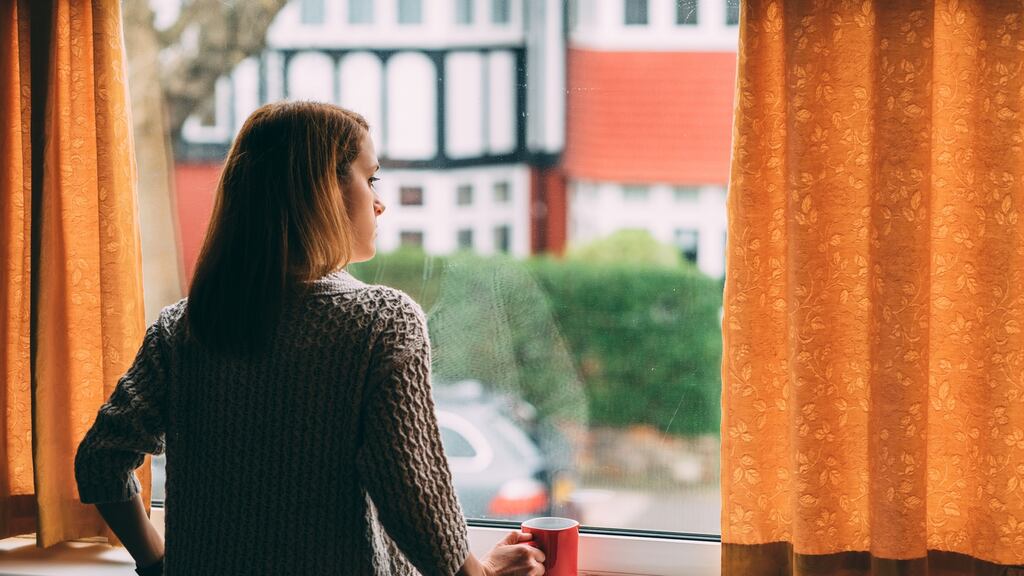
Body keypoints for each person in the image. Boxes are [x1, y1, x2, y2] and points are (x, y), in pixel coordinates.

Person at [74, 101, 547, 576]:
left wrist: (158, 564)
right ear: (323, 190)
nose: (380, 202)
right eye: (371, 179)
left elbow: (101, 458)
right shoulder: (381, 322)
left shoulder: (183, 328)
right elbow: (414, 494)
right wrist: (480, 573)